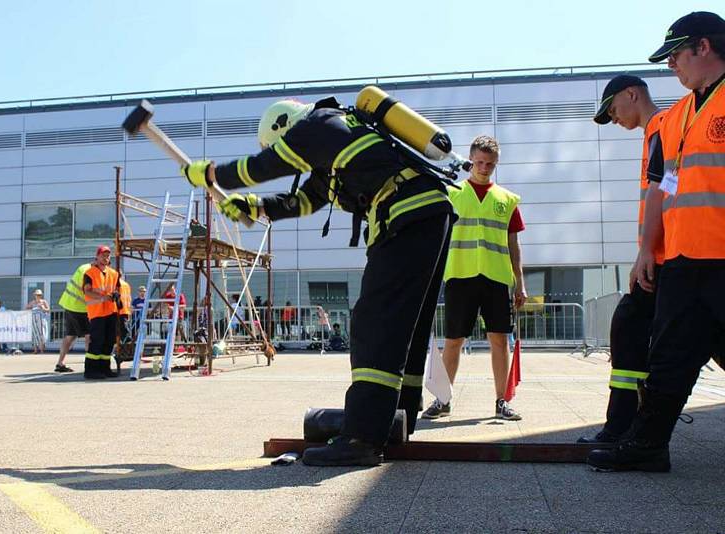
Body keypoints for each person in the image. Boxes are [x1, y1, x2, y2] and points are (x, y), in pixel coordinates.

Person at [181, 95, 454, 466]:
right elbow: (304, 201)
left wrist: (212, 175)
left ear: (284, 126)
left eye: (279, 145)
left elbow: (261, 166)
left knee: (375, 324)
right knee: (405, 322)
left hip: (404, 214)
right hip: (427, 212)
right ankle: (396, 418)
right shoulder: (335, 143)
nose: (284, 152)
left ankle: (360, 438)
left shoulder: (317, 124)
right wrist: (255, 207)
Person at [589, 11, 725, 472]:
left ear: (704, 47)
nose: (671, 67)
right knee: (669, 355)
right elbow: (663, 188)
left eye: (676, 56)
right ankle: (647, 444)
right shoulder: (678, 119)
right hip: (685, 259)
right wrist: (648, 248)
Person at [576, 76, 666, 444]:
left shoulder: (664, 126)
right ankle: (625, 426)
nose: (614, 119)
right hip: (668, 255)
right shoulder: (655, 133)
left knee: (631, 326)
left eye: (613, 110)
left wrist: (646, 251)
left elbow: (666, 188)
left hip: (676, 257)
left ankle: (625, 427)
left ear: (633, 94)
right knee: (631, 325)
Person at [422, 135, 526, 422]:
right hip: (460, 276)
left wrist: (520, 282)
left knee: (499, 341)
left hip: (496, 278)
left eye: (490, 164)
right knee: (453, 340)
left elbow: (513, 245)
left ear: (496, 163)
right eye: (479, 162)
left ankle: (501, 402)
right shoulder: (452, 193)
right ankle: (442, 400)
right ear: (470, 160)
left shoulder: (507, 200)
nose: (484, 168)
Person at [82, 245, 120, 379]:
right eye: (103, 255)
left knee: (109, 341)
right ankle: (91, 370)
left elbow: (116, 289)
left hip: (111, 311)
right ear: (97, 257)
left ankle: (105, 369)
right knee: (97, 341)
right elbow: (87, 290)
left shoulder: (113, 273)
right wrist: (103, 297)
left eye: (108, 255)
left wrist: (115, 294)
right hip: (97, 313)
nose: (106, 257)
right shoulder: (90, 273)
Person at [55, 262, 92, 373]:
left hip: (69, 304)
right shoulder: (90, 271)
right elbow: (89, 290)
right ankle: (89, 363)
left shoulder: (83, 267)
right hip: (81, 307)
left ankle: (60, 362)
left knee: (70, 335)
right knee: (89, 335)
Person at [26, 289, 50, 354]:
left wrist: (43, 308)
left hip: (41, 319)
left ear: (41, 295)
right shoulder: (32, 302)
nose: (37, 296)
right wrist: (30, 307)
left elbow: (48, 310)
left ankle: (42, 349)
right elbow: (27, 308)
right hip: (34, 319)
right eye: (36, 295)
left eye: (39, 295)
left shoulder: (44, 302)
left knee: (42, 333)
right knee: (35, 333)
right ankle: (35, 350)